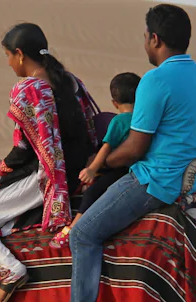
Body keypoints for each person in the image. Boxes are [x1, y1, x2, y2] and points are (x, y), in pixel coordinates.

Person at [35, 4, 196, 302]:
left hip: (158, 183)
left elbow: (136, 147)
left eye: (146, 38)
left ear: (154, 38)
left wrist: (97, 164)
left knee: (83, 234)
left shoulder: (156, 80)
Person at [0, 23, 100, 302]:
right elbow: (89, 128)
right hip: (77, 168)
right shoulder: (70, 80)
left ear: (19, 54)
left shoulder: (28, 88)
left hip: (47, 178)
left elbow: (22, 152)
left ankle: (8, 272)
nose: (8, 63)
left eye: (7, 55)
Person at [50, 72, 141, 248]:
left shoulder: (118, 121)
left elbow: (106, 147)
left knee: (93, 193)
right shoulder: (143, 120)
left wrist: (92, 169)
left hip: (121, 170)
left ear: (115, 103)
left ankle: (73, 229)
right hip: (139, 170)